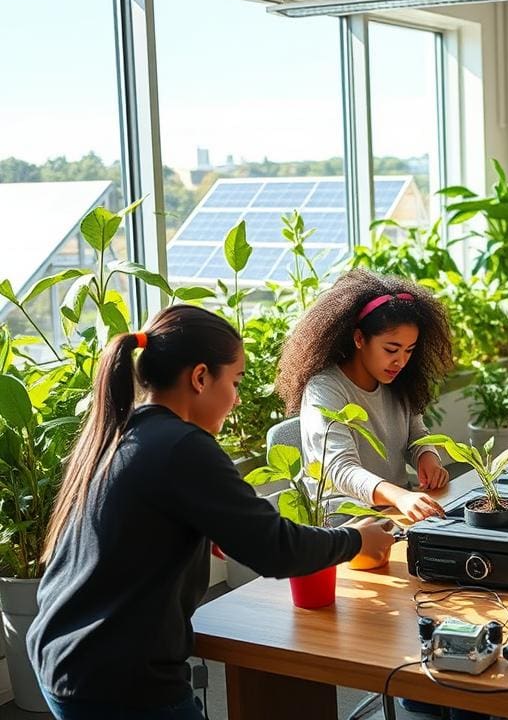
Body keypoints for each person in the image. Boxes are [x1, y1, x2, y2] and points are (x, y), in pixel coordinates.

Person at [27, 305, 394, 720]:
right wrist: (358, 539)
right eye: (234, 381)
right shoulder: (183, 446)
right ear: (200, 377)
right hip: (119, 680)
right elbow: (275, 549)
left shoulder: (124, 431)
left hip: (66, 653)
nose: (236, 399)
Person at [276, 269, 455, 522]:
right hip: (347, 521)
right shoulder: (325, 389)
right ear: (359, 338)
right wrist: (400, 497)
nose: (401, 361)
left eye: (409, 350)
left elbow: (417, 435)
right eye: (391, 349)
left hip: (395, 512)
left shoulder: (397, 381)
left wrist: (428, 458)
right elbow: (340, 470)